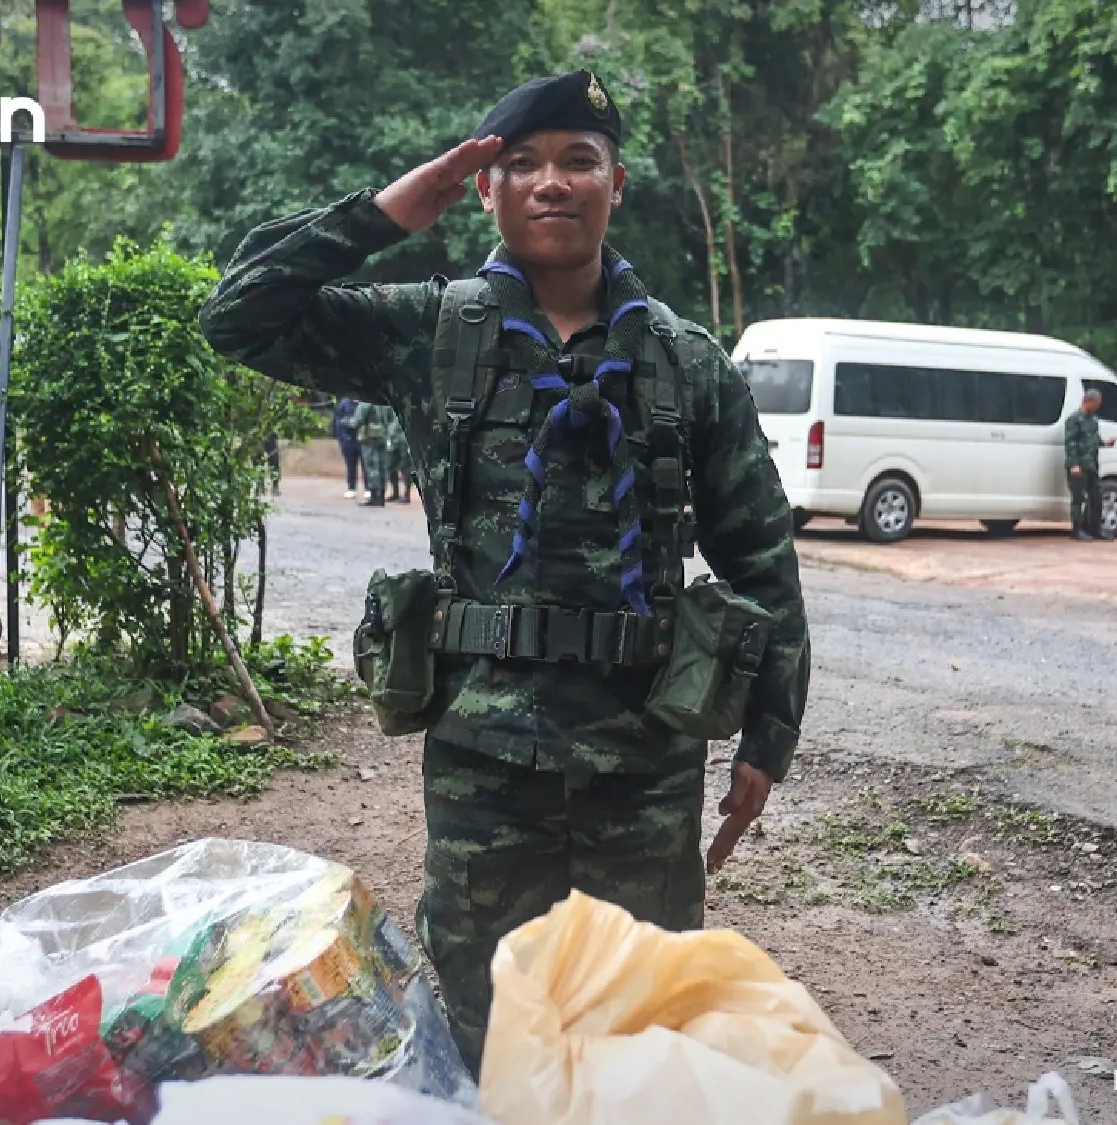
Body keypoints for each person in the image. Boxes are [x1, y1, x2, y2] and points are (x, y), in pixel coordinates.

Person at [198, 69, 810, 1075]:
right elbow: (239, 317)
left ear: (617, 183)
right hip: (484, 760)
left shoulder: (686, 363)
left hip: (644, 756)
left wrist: (768, 736)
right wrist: (386, 212)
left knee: (640, 1022)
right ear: (483, 190)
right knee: (492, 1027)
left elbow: (759, 556)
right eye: (520, 163)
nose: (549, 183)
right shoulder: (430, 330)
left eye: (578, 160)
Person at [1064, 387, 1104, 541]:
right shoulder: (1074, 420)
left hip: (1092, 465)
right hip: (1079, 465)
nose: (1098, 406)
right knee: (1078, 499)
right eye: (1097, 403)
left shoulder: (1093, 420)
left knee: (1096, 498)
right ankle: (1077, 529)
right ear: (1089, 401)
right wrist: (1074, 464)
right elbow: (1070, 442)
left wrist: (1104, 443)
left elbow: (1093, 439)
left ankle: (1095, 529)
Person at [350, 401, 397, 507]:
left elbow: (357, 420)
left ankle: (374, 496)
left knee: (371, 466)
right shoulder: (385, 401)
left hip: (369, 437)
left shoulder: (366, 401)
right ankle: (381, 496)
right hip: (383, 436)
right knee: (382, 466)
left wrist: (350, 422)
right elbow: (392, 418)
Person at [334, 396, 363, 497]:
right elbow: (338, 422)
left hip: (363, 438)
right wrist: (342, 439)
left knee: (366, 465)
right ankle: (351, 488)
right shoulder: (344, 403)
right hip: (348, 438)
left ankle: (369, 488)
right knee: (350, 465)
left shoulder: (365, 403)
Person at [387, 421, 414, 504]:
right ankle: (395, 493)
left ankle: (407, 495)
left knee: (405, 467)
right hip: (393, 440)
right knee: (391, 466)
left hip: (405, 440)